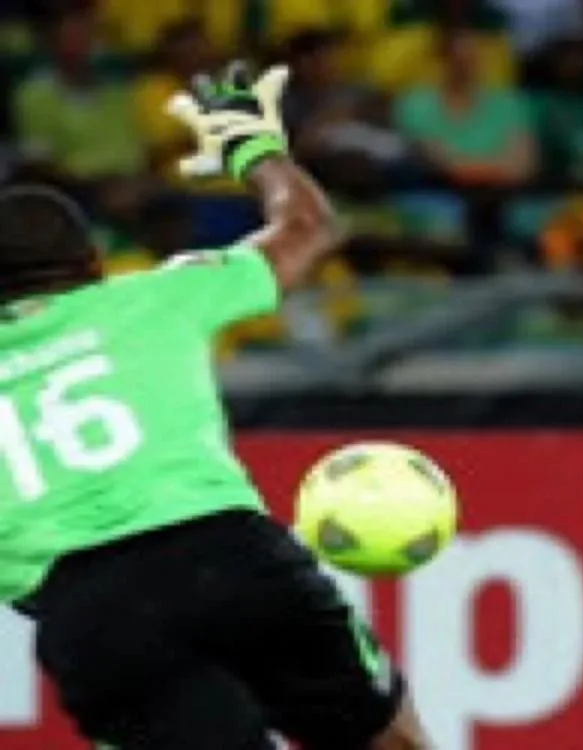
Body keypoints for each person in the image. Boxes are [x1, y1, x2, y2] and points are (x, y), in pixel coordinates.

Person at [0, 62, 429, 750]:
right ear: (95, 264)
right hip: (227, 554)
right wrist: (253, 148)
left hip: (89, 617)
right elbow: (307, 229)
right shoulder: (152, 295)